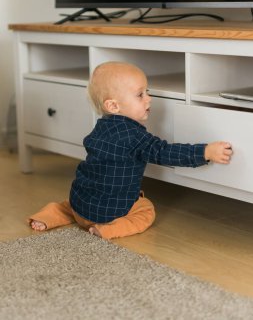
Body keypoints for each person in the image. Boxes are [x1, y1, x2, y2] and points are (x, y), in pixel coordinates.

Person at [29, 61, 233, 239]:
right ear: (113, 106)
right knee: (146, 210)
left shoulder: (101, 126)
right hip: (109, 213)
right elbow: (165, 152)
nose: (149, 98)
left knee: (70, 205)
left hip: (80, 202)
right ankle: (108, 230)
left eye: (148, 91)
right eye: (140, 94)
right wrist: (205, 152)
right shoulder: (135, 136)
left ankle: (49, 215)